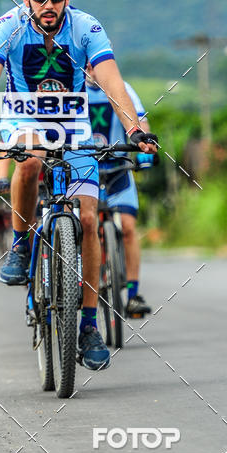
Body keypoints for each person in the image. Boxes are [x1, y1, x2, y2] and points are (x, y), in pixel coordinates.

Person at [0, 0, 158, 371]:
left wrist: (135, 130)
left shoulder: (86, 27)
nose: (48, 5)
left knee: (90, 219)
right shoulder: (8, 26)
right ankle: (20, 245)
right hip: (23, 115)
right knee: (30, 161)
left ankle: (88, 324)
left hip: (74, 120)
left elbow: (111, 81)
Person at [86, 61, 153, 318]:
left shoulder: (120, 87)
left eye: (96, 66)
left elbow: (141, 119)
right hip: (85, 170)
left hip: (117, 169)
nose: (92, 72)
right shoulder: (73, 89)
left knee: (127, 227)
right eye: (87, 66)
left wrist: (144, 149)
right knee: (84, 225)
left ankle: (133, 294)